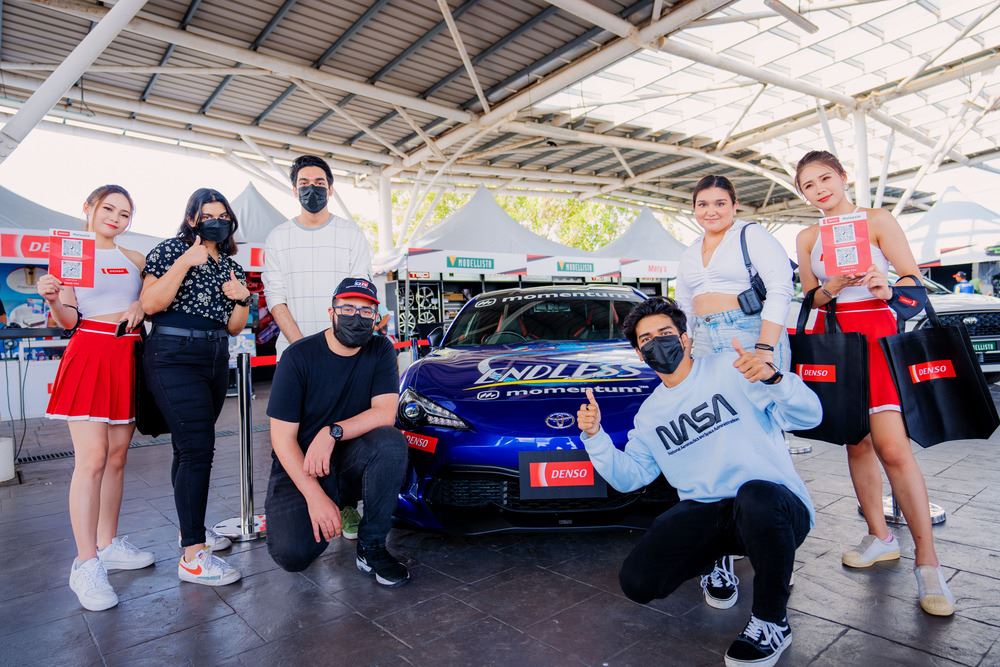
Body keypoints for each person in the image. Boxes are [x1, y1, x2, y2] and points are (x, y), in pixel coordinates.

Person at [577, 297, 819, 667]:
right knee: (638, 581)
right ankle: (715, 559)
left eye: (665, 333)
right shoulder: (650, 415)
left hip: (775, 509)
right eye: (646, 340)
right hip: (710, 513)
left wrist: (774, 379)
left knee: (755, 496)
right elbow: (630, 477)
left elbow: (810, 417)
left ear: (686, 339)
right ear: (640, 354)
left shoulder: (732, 369)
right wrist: (595, 437)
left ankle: (771, 621)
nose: (657, 343)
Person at [793, 150, 954, 616]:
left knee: (894, 449)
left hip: (880, 337)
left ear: (843, 177)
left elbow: (914, 283)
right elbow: (811, 298)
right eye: (808, 185)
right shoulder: (808, 237)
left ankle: (929, 563)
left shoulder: (878, 220)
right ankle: (879, 536)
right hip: (838, 342)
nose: (820, 189)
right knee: (856, 443)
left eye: (825, 178)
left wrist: (888, 287)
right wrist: (830, 288)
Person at [39, 185, 153, 611]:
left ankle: (108, 544)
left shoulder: (135, 258)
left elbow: (150, 300)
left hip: (129, 355)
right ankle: (85, 563)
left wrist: (142, 305)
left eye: (125, 213)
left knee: (118, 457)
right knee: (92, 459)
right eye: (109, 209)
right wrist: (53, 298)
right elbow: (69, 319)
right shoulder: (71, 256)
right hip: (89, 352)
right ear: (89, 207)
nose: (116, 218)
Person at [265, 277, 409, 586]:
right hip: (305, 463)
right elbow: (281, 438)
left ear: (376, 317)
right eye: (347, 309)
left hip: (351, 458)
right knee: (293, 554)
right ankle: (332, 503)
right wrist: (314, 496)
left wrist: (332, 432)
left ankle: (371, 547)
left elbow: (385, 413)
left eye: (366, 311)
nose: (357, 317)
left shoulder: (380, 349)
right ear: (331, 312)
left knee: (391, 443)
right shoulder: (298, 357)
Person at [140, 188, 251, 587]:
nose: (216, 222)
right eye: (207, 216)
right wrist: (185, 262)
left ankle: (190, 529)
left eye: (223, 216)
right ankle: (193, 556)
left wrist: (243, 299)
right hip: (173, 355)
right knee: (198, 449)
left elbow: (235, 327)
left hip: (215, 356)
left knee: (187, 448)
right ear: (191, 219)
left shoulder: (231, 266)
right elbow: (150, 304)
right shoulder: (170, 250)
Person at [263, 154, 374, 537]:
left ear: (331, 188)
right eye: (305, 184)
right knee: (294, 434)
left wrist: (337, 348)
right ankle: (302, 499)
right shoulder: (279, 237)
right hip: (296, 355)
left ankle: (346, 503)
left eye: (320, 183)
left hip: (347, 354)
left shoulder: (350, 234)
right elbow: (276, 298)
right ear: (294, 189)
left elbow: (359, 295)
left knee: (344, 430)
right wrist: (305, 351)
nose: (312, 189)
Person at [676, 175, 794, 371]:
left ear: (734, 205)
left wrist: (765, 348)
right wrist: (684, 355)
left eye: (720, 204)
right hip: (704, 338)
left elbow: (780, 288)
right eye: (703, 204)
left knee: (760, 391)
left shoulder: (751, 234)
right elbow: (683, 307)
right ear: (694, 208)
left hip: (751, 332)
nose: (711, 211)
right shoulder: (689, 252)